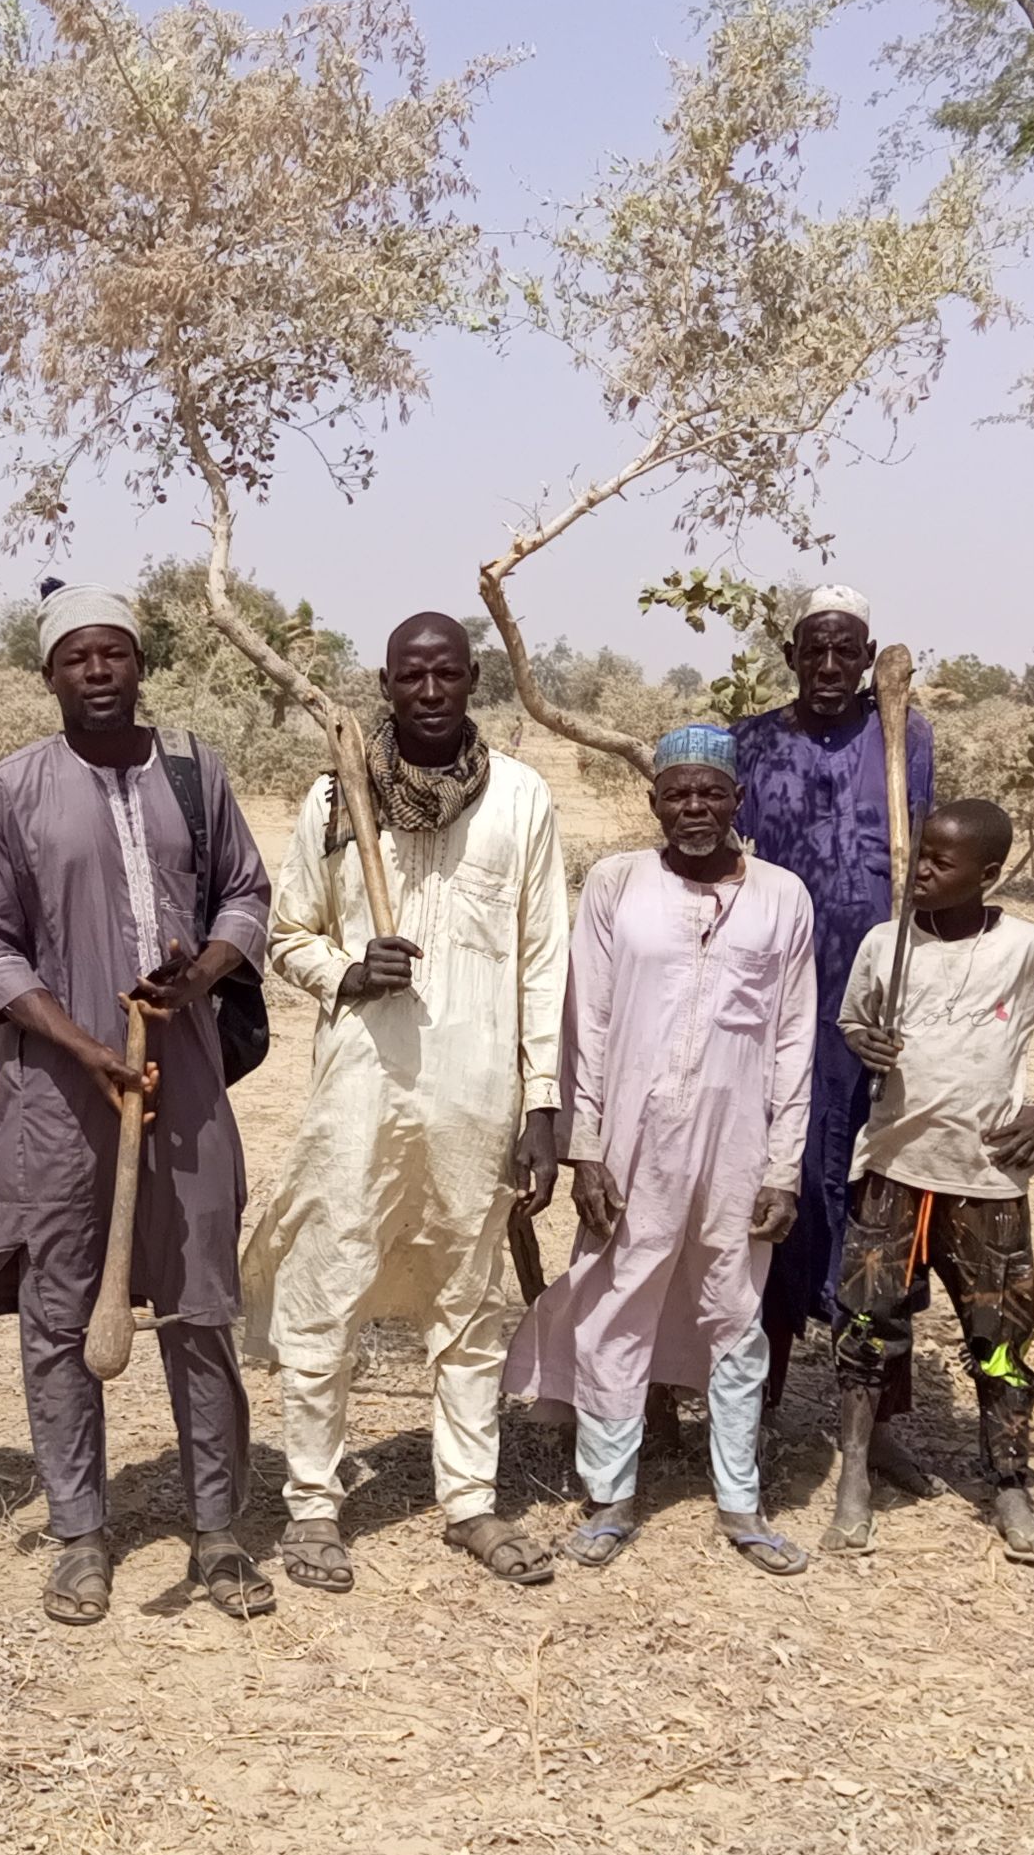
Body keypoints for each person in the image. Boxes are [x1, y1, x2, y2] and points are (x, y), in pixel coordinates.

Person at [0, 581, 275, 1627]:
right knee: (59, 1313)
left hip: (181, 1074)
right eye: (75, 657)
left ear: (140, 664)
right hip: (63, 1086)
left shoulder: (195, 774)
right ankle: (79, 1534)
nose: (97, 672)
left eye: (114, 654)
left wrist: (203, 974)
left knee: (201, 1303)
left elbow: (244, 895)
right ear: (47, 674)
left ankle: (218, 1531)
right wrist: (84, 1045)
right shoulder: (8, 791)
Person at [243, 609, 567, 1593]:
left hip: (477, 1091)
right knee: (324, 1287)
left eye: (445, 674)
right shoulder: (335, 800)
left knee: (466, 1304)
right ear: (383, 688)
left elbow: (543, 958)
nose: (428, 692)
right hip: (360, 1089)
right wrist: (347, 969)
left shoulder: (520, 799)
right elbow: (284, 932)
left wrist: (543, 1100)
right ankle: (310, 1506)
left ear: (472, 681)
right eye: (407, 677)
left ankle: (468, 1499)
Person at [513, 723, 819, 1573]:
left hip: (740, 1138)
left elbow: (794, 1038)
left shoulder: (782, 897)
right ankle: (609, 1497)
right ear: (652, 803)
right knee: (620, 1300)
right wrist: (589, 1149)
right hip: (635, 1135)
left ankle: (741, 1501)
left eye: (710, 793)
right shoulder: (617, 885)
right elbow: (590, 1023)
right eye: (678, 793)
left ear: (737, 802)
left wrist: (785, 1165)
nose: (695, 808)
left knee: (735, 1309)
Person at [828, 798, 1034, 1560]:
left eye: (942, 864)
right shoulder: (886, 945)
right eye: (919, 858)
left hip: (986, 1180)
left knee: (1001, 1340)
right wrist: (866, 1043)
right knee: (864, 1328)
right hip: (891, 1172)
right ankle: (855, 1472)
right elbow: (853, 1022)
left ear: (987, 873)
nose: (922, 873)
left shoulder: (1028, 952)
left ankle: (1008, 1479)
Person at [730, 588, 934, 1440]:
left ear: (868, 655)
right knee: (766, 1186)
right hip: (772, 998)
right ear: (790, 655)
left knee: (873, 1190)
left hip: (870, 998)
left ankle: (877, 1419)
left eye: (844, 652)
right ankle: (757, 1402)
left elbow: (921, 853)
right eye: (812, 651)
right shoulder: (751, 742)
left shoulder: (903, 735)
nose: (827, 667)